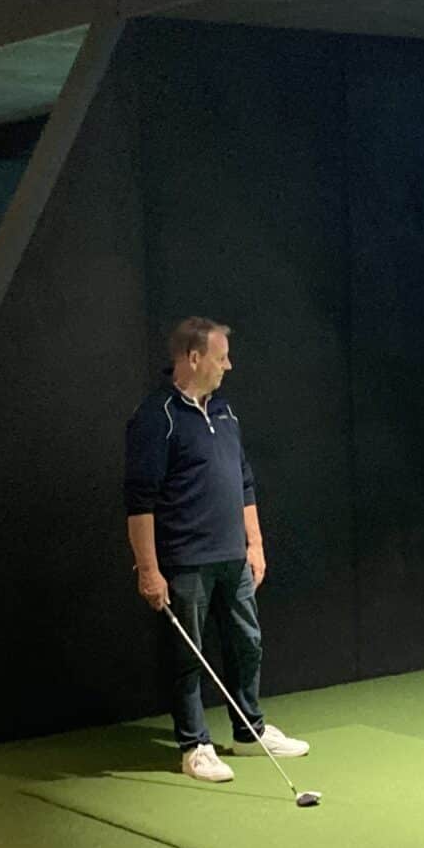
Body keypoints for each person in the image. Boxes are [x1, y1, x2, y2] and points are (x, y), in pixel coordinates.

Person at [124, 318, 308, 782]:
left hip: (233, 557)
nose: (229, 365)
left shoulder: (225, 412)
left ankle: (249, 731)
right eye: (221, 357)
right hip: (185, 561)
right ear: (194, 358)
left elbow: (243, 481)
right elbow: (140, 501)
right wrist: (148, 569)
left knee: (247, 643)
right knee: (189, 655)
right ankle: (195, 746)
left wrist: (255, 544)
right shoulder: (157, 416)